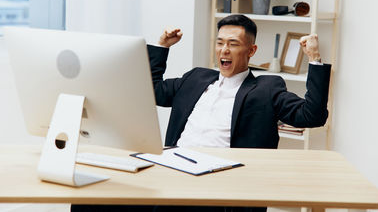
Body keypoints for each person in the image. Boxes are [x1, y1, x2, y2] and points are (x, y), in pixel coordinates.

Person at [71, 14, 331, 212]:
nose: (224, 51)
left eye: (233, 44)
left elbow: (312, 116)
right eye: (219, 43)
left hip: (221, 181)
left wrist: (315, 60)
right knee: (91, 197)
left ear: (251, 51)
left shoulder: (266, 88)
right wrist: (162, 46)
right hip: (171, 168)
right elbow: (151, 91)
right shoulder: (196, 78)